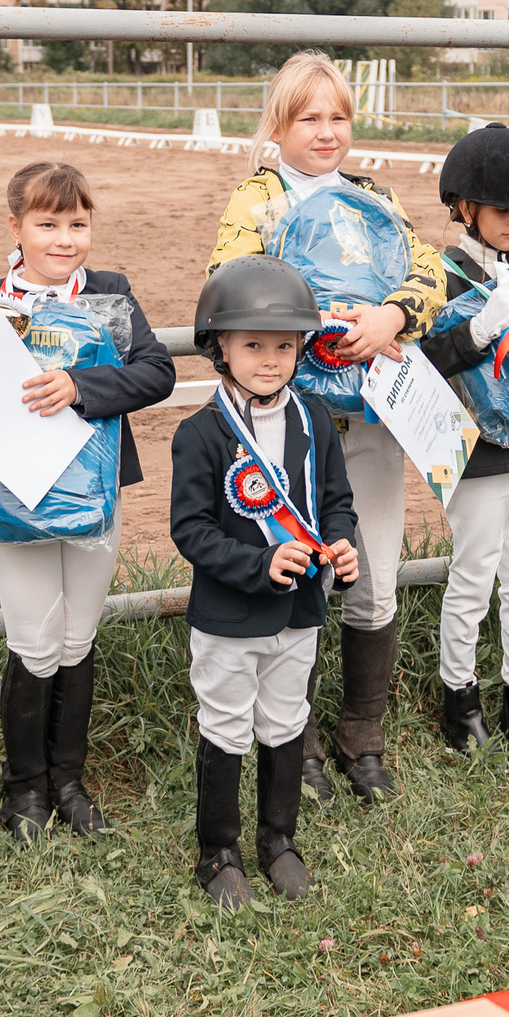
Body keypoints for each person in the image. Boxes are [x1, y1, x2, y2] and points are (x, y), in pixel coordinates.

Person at [206, 52, 442, 806]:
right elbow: (228, 289)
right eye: (310, 117)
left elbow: (431, 268)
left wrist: (392, 315)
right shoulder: (256, 201)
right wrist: (310, 326)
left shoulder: (375, 197)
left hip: (371, 416)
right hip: (288, 422)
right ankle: (293, 737)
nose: (327, 130)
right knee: (298, 572)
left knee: (372, 579)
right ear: (279, 125)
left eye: (338, 116)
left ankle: (361, 736)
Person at [0, 161, 175, 843]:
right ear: (17, 228)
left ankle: (68, 780)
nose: (64, 239)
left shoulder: (111, 294)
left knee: (77, 637)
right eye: (47, 223)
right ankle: (23, 787)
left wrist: (80, 386)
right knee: (35, 640)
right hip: (14, 497)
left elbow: (158, 372)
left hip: (93, 498)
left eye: (77, 224)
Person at [169, 258, 361, 908]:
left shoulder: (315, 423)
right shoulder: (199, 435)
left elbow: (337, 501)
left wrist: (342, 543)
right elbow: (190, 530)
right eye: (253, 345)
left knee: (286, 720)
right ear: (220, 347)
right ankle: (217, 852)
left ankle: (278, 840)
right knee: (225, 729)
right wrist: (258, 564)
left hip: (301, 612)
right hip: (228, 615)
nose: (271, 361)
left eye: (285, 346)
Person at [414, 124, 509, 763]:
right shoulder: (437, 276)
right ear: (465, 208)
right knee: (474, 573)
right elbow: (419, 358)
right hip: (472, 447)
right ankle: (461, 698)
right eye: (505, 209)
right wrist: (476, 329)